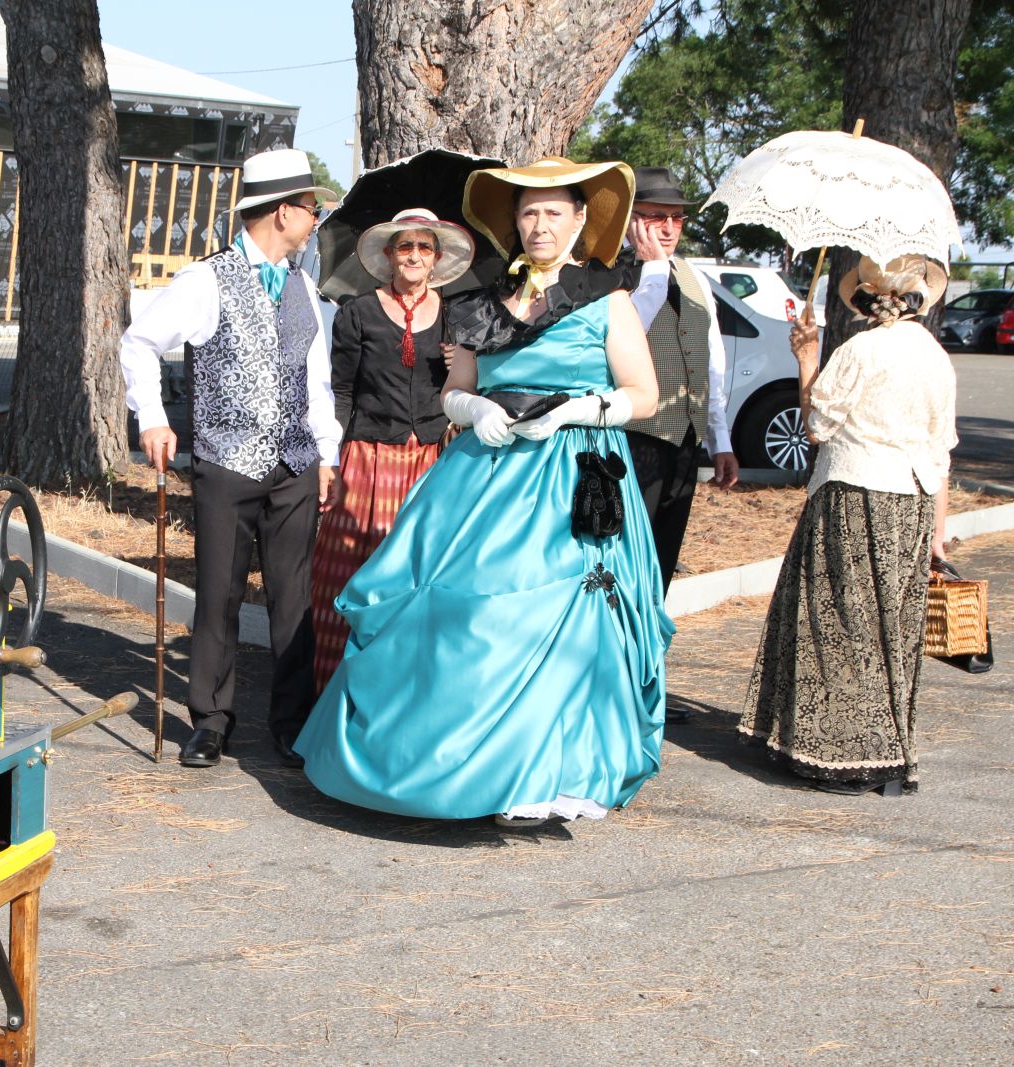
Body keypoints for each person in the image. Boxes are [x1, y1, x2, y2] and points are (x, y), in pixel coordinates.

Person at [295, 157, 674, 825]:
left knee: (553, 617)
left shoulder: (606, 298)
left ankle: (551, 773)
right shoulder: (480, 304)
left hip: (572, 478)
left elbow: (643, 394)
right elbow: (454, 389)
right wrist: (474, 410)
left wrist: (577, 410)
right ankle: (451, 762)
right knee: (460, 612)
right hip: (487, 473)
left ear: (579, 219)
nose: (540, 225)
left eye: (553, 212)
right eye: (529, 213)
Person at [118, 147, 340, 769]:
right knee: (218, 595)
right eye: (311, 207)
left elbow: (316, 381)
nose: (315, 219)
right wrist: (152, 416)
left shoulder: (303, 286)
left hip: (296, 465)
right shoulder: (205, 280)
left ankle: (292, 724)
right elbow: (138, 343)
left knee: (293, 600)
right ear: (281, 212)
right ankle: (210, 722)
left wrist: (325, 453)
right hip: (227, 463)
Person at [738, 255, 955, 796]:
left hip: (855, 494)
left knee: (840, 620)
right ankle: (891, 752)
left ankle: (846, 755)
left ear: (865, 298)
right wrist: (938, 531)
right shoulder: (934, 354)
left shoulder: (862, 349)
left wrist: (807, 358)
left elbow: (816, 425)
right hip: (913, 501)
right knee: (892, 628)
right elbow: (942, 451)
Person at [309, 208, 476, 693]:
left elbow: (472, 391)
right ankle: (334, 686)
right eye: (406, 246)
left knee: (419, 569)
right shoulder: (358, 311)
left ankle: (403, 688)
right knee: (351, 566)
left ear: (437, 258)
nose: (414, 256)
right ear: (389, 255)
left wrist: (461, 365)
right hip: (367, 457)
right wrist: (330, 456)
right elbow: (342, 390)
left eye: (424, 247)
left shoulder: (456, 316)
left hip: (430, 459)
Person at [620, 167, 738, 594]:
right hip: (633, 436)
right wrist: (652, 271)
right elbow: (626, 335)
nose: (668, 228)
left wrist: (720, 440)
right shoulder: (611, 273)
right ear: (631, 219)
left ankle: (654, 630)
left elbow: (712, 361)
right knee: (626, 558)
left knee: (663, 558)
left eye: (677, 218)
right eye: (656, 216)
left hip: (685, 438)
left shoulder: (694, 277)